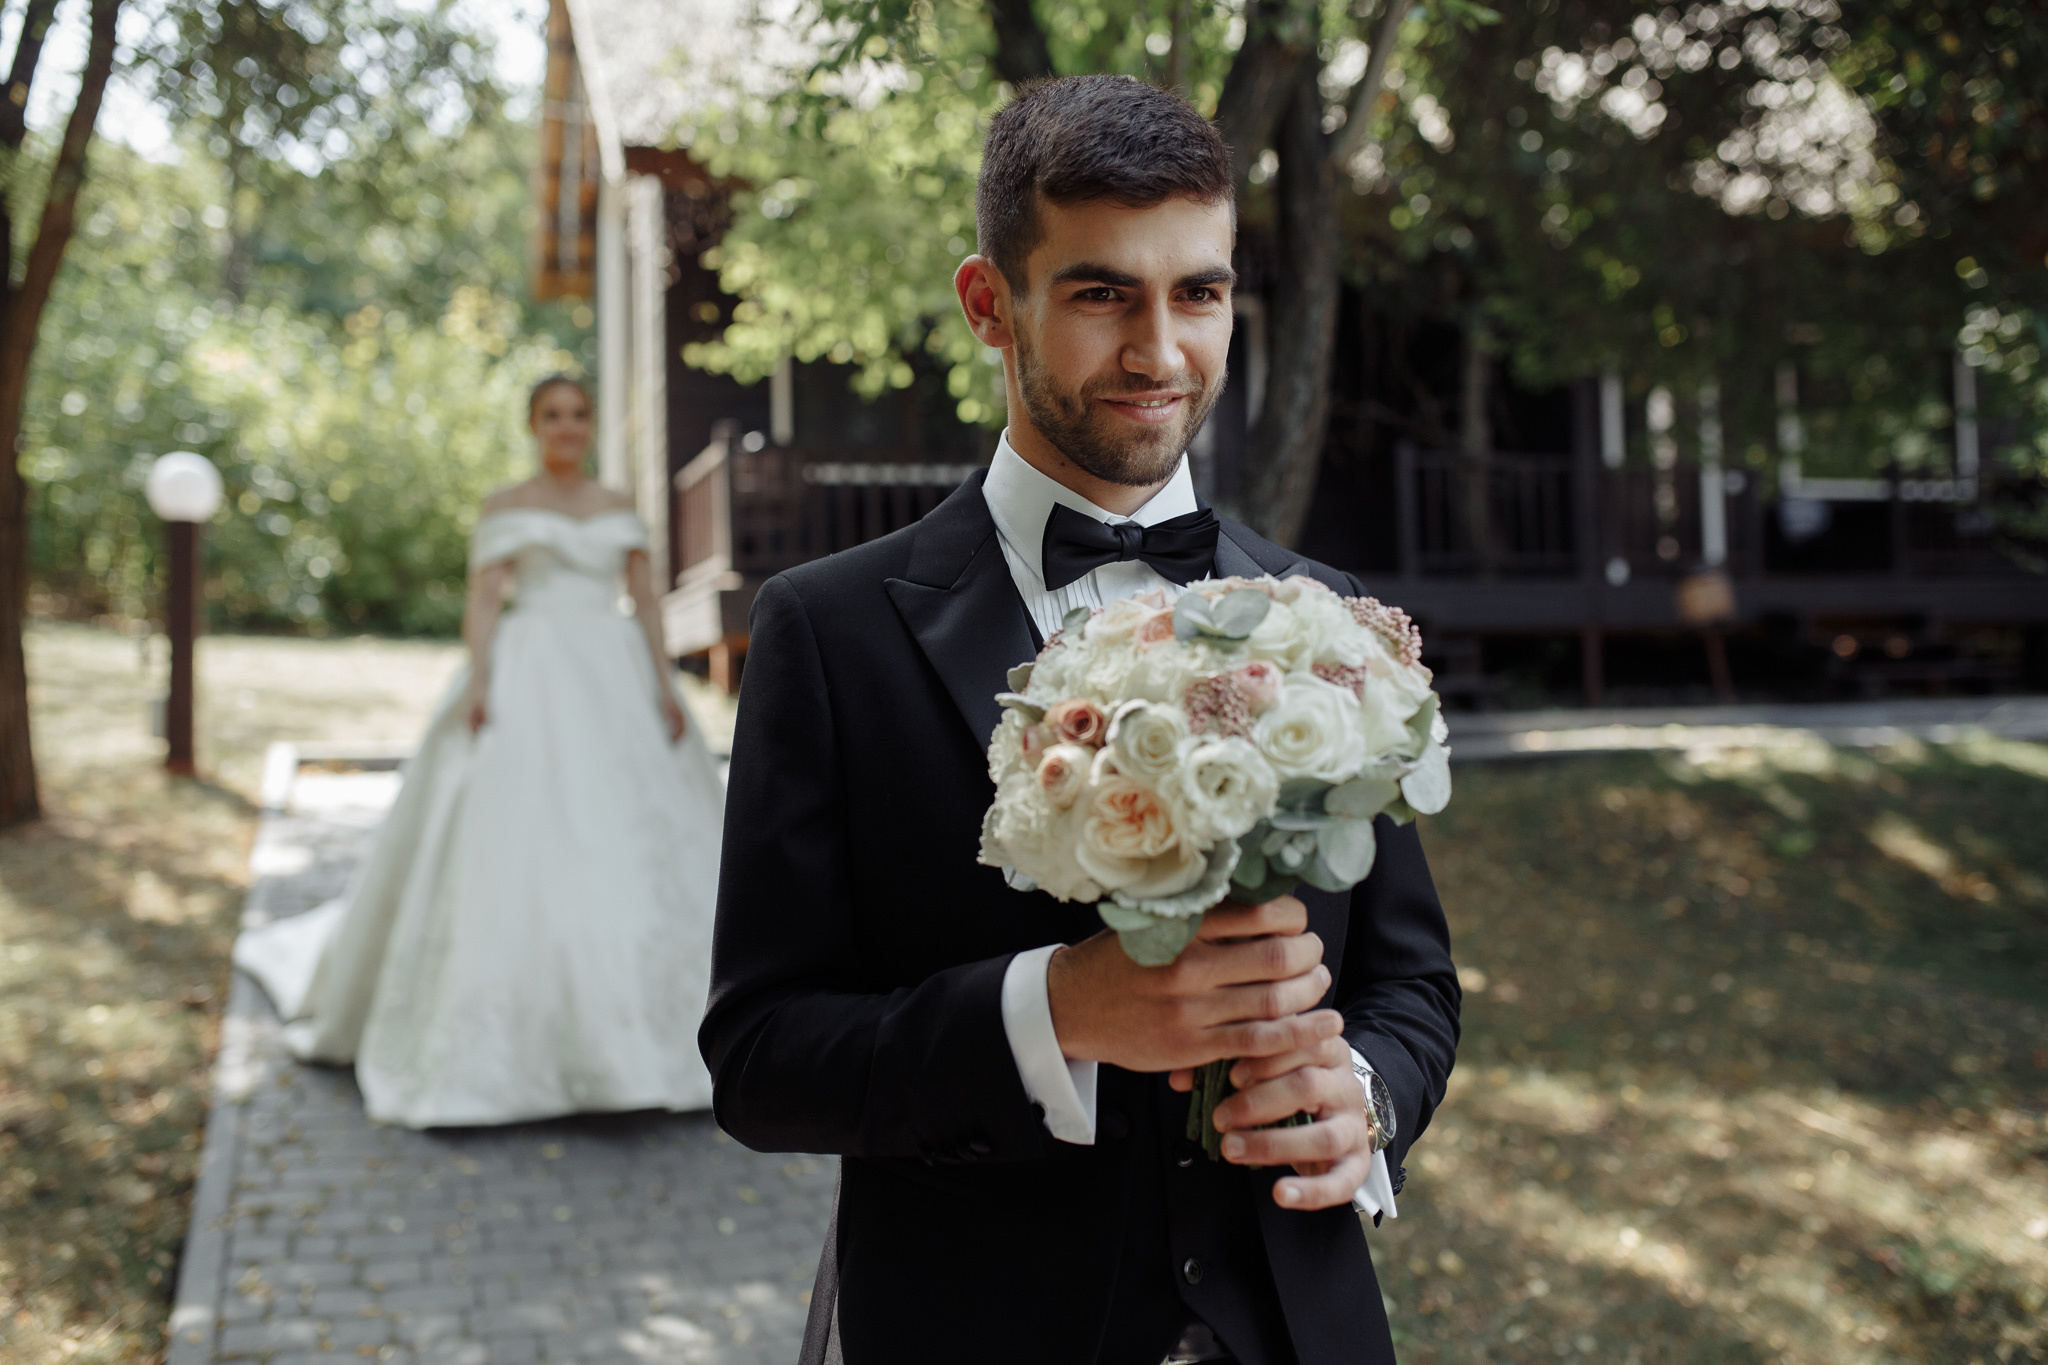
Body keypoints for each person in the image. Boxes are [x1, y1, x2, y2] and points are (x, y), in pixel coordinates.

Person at [702, 76, 1460, 1365]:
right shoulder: (826, 633)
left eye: (1199, 294)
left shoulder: (1326, 620)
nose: (1159, 353)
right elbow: (763, 1058)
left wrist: (1366, 1101)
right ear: (989, 303)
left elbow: (1410, 985)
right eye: (1103, 292)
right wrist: (1052, 1009)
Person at [235, 375, 725, 1129]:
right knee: (518, 836)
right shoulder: (505, 506)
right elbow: (487, 598)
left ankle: (653, 1037)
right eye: (552, 416)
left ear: (590, 426)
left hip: (613, 672)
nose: (566, 427)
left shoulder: (618, 507)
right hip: (531, 669)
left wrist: (664, 689)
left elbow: (647, 604)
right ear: (533, 425)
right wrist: (481, 678)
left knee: (631, 841)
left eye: (578, 415)